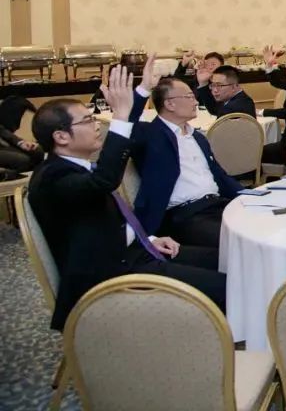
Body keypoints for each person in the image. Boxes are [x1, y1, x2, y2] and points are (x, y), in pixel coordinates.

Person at [29, 65, 226, 331]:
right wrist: (121, 116)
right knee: (227, 286)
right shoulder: (52, 177)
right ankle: (215, 346)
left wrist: (148, 239)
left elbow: (100, 216)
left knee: (226, 259)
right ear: (61, 136)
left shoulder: (74, 168)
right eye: (87, 120)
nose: (97, 125)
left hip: (133, 252)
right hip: (113, 275)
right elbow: (104, 182)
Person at [127, 59, 244, 248]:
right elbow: (126, 123)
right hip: (184, 214)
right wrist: (144, 89)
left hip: (217, 204)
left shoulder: (197, 137)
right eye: (189, 97)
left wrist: (250, 196)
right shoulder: (151, 135)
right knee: (237, 241)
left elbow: (219, 176)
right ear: (170, 104)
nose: (196, 101)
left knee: (261, 226)